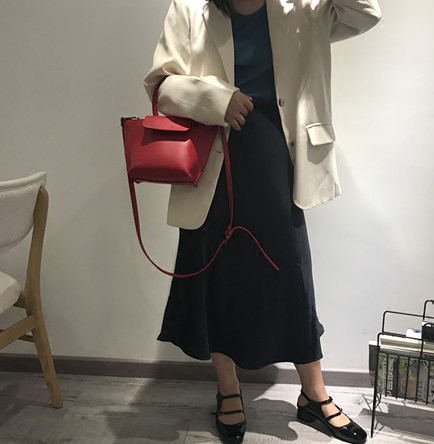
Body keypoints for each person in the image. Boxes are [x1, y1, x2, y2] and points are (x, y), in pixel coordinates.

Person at [144, 0, 381, 443]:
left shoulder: (304, 5)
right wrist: (216, 99)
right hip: (211, 151)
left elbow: (364, 12)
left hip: (275, 149)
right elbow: (161, 85)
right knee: (214, 268)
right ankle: (228, 388)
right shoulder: (191, 7)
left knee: (290, 268)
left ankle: (313, 393)